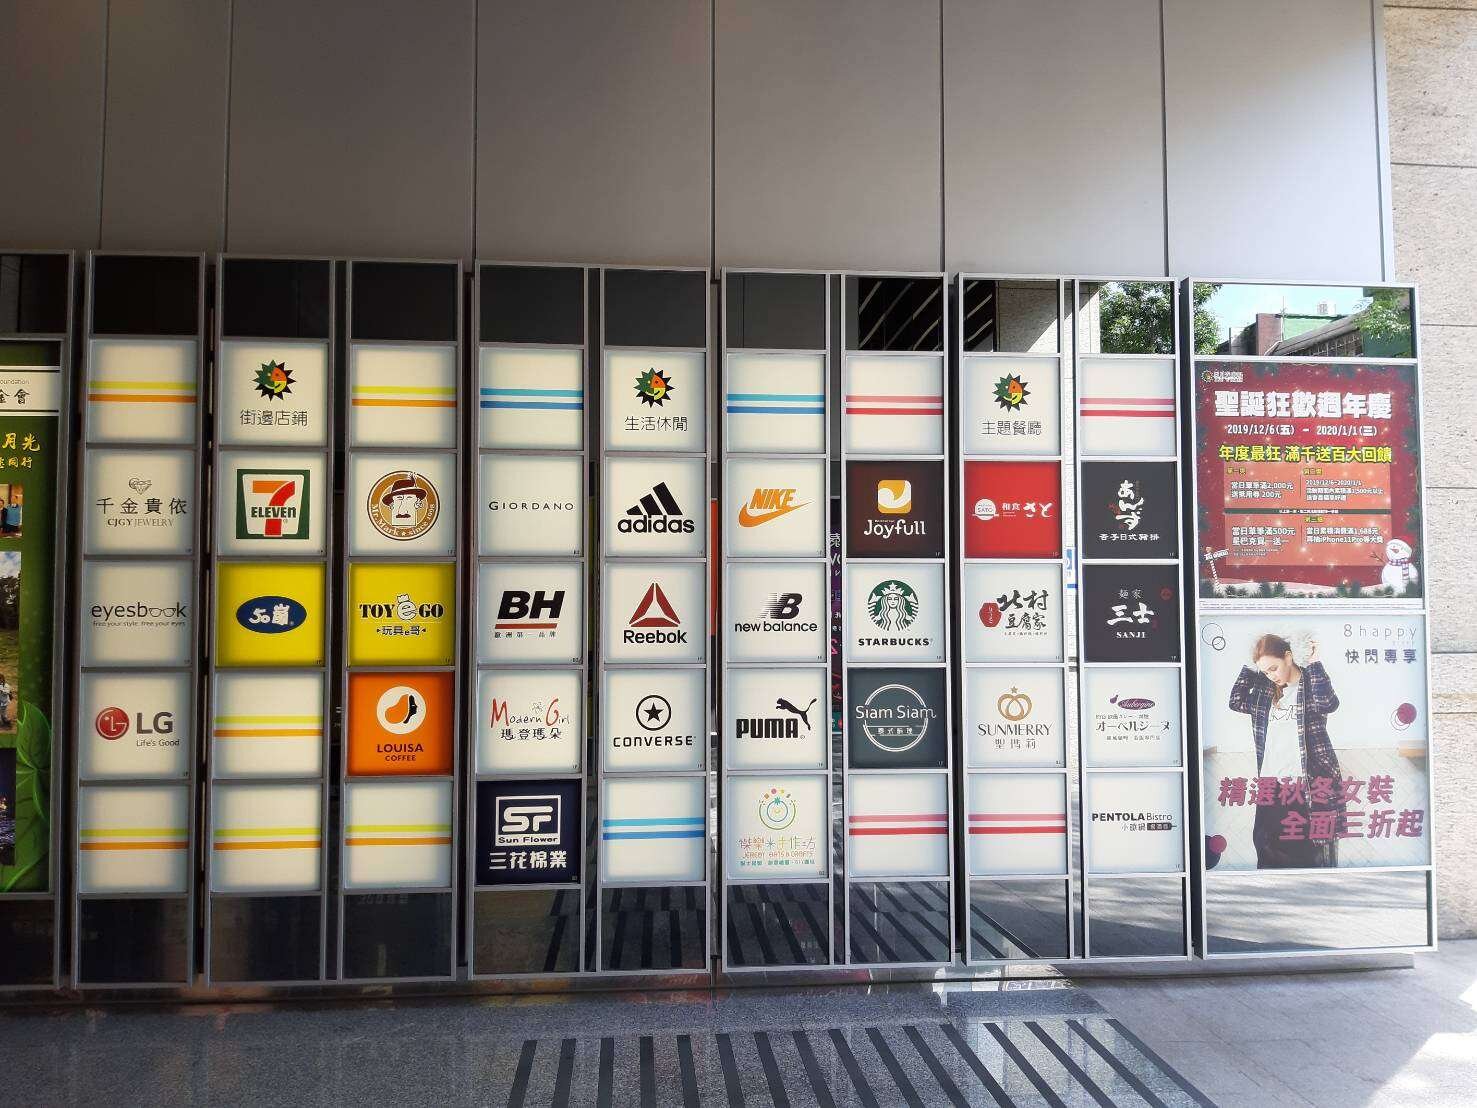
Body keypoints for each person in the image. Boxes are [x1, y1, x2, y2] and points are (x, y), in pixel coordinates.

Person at [1227, 634, 1342, 868]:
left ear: (1288, 657)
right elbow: (1236, 701)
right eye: (1265, 671)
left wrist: (1314, 662)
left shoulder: (1310, 684)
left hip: (1307, 785)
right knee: (1266, 851)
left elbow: (1328, 703)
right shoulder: (1264, 693)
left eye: (1274, 668)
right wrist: (1251, 667)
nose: (1271, 675)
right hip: (1271, 786)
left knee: (1311, 855)